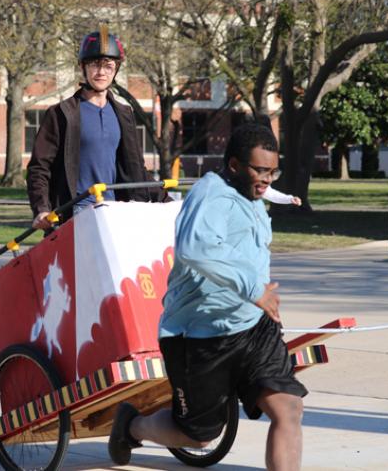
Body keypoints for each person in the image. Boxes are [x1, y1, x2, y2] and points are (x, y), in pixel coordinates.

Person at [108, 123, 307, 470]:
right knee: (198, 435)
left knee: (289, 408)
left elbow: (260, 207)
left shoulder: (253, 193)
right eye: (259, 170)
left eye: (272, 171)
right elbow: (194, 250)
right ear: (233, 165)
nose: (267, 179)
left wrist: (257, 296)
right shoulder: (210, 195)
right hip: (199, 336)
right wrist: (252, 287)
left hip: (253, 327)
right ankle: (132, 425)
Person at [27, 24, 168, 230]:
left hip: (114, 214)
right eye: (94, 64)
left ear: (116, 69)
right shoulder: (61, 114)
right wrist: (42, 209)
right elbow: (40, 168)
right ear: (83, 67)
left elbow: (136, 169)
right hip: (75, 215)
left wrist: (166, 200)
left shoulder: (124, 114)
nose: (101, 72)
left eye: (108, 65)